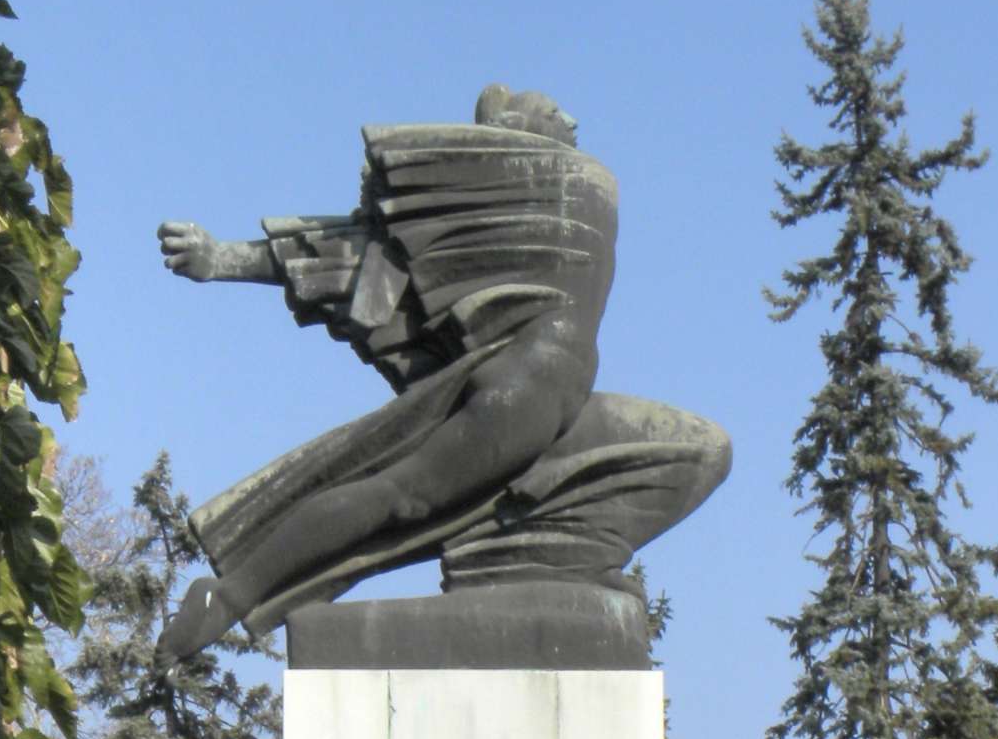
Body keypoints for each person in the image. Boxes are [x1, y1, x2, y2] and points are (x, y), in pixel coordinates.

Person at [154, 86, 730, 657]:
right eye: (554, 113)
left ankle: (558, 557)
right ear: (513, 128)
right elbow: (363, 259)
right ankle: (228, 596)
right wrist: (223, 259)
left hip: (562, 402)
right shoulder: (537, 185)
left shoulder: (564, 197)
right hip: (521, 395)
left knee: (702, 449)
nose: (573, 119)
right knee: (399, 497)